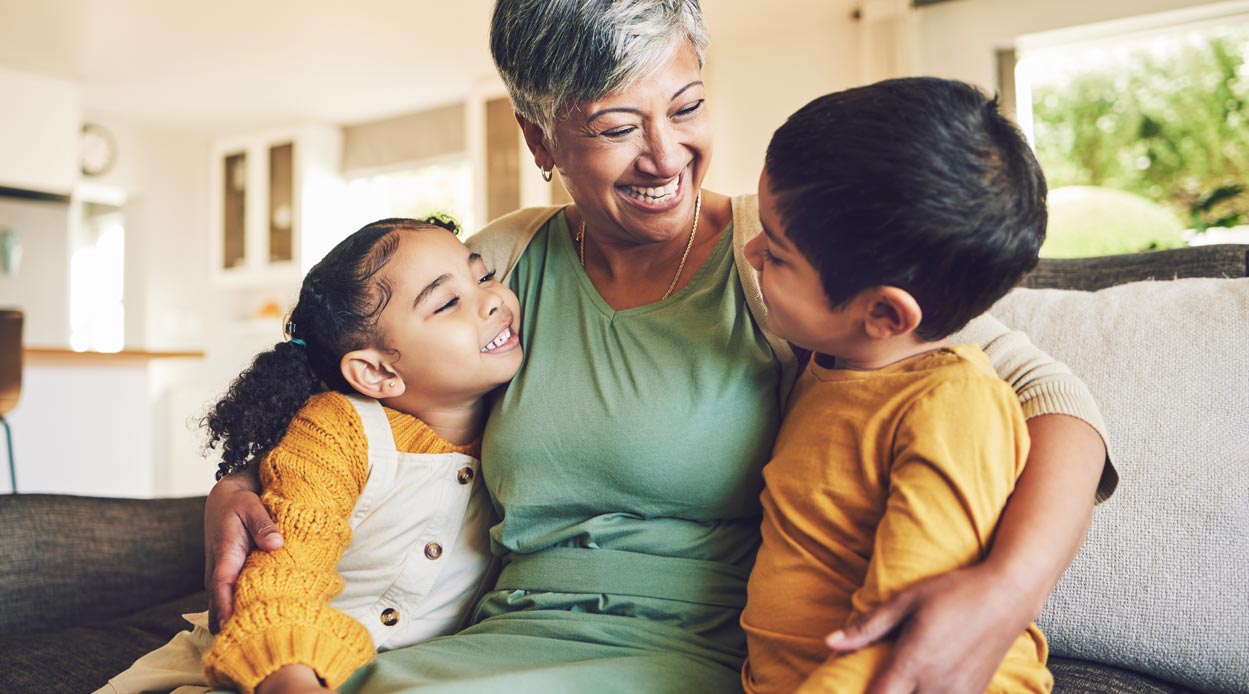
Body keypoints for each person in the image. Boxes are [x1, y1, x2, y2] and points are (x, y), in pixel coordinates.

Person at [204, 2, 1117, 692]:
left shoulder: (791, 260)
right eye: (615, 128)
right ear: (538, 137)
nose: (666, 156)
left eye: (686, 107)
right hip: (491, 638)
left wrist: (1004, 590)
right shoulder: (499, 266)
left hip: (685, 655)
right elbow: (364, 375)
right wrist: (243, 484)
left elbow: (1047, 397)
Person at [99, 218, 523, 694]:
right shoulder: (336, 430)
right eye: (447, 303)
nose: (492, 300)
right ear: (377, 371)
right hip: (251, 672)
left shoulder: (519, 425)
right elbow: (282, 581)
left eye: (484, 276)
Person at [740, 77, 1056, 693]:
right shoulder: (833, 365)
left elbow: (903, 638)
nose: (749, 252)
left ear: (884, 314)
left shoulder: (953, 406)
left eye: (776, 255)